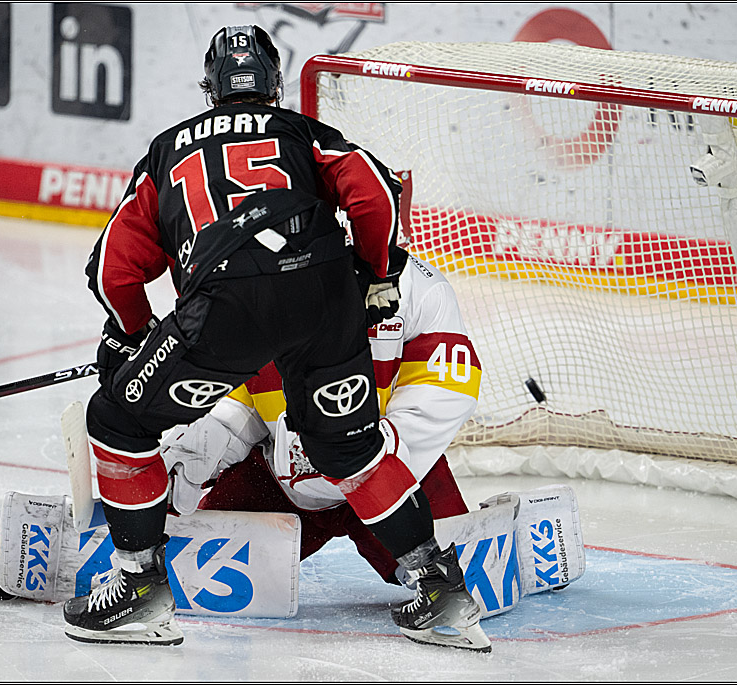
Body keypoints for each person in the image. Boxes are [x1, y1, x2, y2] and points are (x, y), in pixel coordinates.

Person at [66, 24, 490, 652]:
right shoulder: (303, 132)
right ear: (275, 84)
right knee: (351, 448)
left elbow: (111, 269)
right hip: (325, 293)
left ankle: (138, 592)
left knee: (117, 423)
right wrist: (376, 274)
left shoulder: (167, 150)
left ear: (210, 89)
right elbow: (374, 192)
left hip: (230, 303)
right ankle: (443, 592)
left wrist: (130, 337)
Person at [162, 249, 481, 590]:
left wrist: (374, 457)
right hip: (279, 483)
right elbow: (243, 386)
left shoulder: (420, 289)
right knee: (184, 573)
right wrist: (216, 430)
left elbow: (449, 385)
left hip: (397, 471)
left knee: (469, 579)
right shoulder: (251, 279)